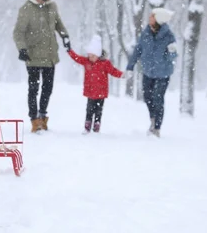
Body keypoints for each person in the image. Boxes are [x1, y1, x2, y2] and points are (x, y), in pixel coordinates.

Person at [13, 0, 69, 133]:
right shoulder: (26, 9)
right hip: (33, 56)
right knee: (34, 89)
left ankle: (43, 115)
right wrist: (22, 49)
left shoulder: (52, 6)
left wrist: (65, 36)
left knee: (48, 88)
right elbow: (18, 32)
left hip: (50, 56)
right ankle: (34, 119)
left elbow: (58, 24)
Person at [126, 8, 177, 138]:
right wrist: (130, 67)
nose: (149, 18)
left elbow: (173, 57)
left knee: (158, 99)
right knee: (148, 98)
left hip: (162, 73)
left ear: (158, 20)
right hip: (148, 72)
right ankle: (153, 119)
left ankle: (157, 128)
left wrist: (172, 52)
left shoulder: (168, 36)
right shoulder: (146, 34)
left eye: (152, 17)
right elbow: (138, 50)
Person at [67, 34, 123, 134]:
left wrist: (122, 75)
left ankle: (96, 127)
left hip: (101, 92)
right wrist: (69, 50)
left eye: (92, 56)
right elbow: (76, 58)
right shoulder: (86, 61)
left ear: (98, 55)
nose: (90, 57)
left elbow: (113, 71)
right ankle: (87, 127)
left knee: (98, 111)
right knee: (89, 110)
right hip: (90, 92)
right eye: (89, 55)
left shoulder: (105, 63)